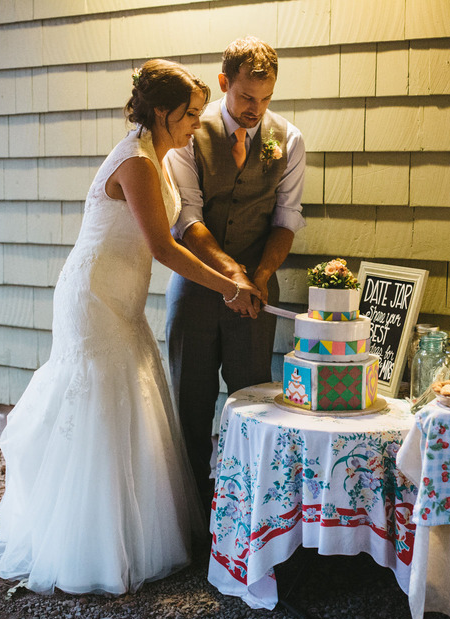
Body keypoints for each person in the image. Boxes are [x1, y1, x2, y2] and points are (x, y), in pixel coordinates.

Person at [0, 59, 259, 595]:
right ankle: (89, 547)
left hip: (123, 299)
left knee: (130, 403)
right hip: (93, 297)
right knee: (97, 407)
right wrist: (228, 287)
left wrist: (231, 273)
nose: (194, 126)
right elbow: (162, 247)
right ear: (162, 111)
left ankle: (132, 538)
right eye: (189, 115)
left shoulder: (159, 156)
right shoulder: (135, 161)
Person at [166, 36, 306, 513]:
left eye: (266, 99)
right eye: (247, 97)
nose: (256, 109)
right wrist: (231, 275)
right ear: (224, 83)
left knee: (251, 402)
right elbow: (188, 218)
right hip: (197, 284)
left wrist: (261, 276)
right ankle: (192, 517)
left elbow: (287, 218)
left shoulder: (288, 139)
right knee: (192, 400)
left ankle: (247, 512)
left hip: (258, 290)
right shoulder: (188, 135)